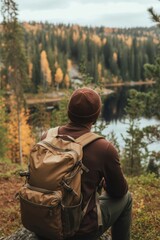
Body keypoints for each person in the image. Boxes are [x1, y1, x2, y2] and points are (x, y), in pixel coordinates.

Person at [46, 87, 132, 240]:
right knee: (127, 199)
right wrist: (104, 184)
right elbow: (120, 191)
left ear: (69, 111)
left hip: (45, 218)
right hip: (79, 231)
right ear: (96, 116)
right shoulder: (103, 148)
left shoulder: (47, 136)